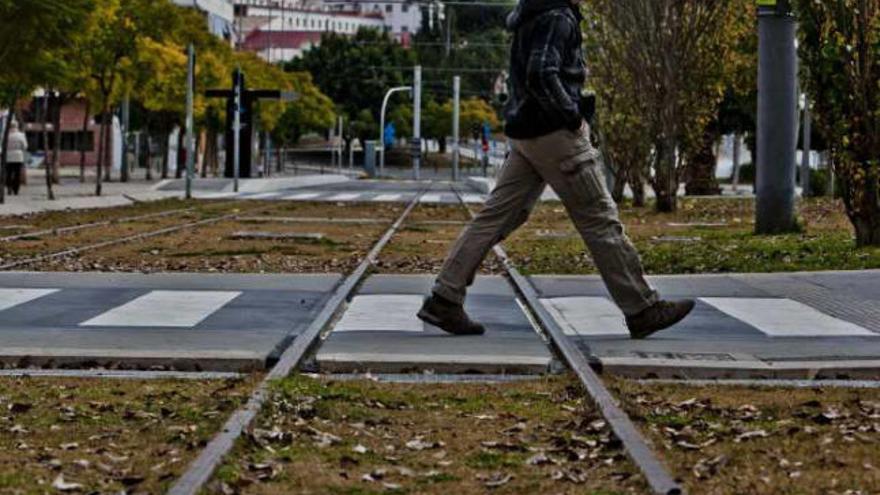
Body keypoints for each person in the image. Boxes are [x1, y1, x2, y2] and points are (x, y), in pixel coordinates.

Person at [418, 0, 695, 339]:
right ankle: (642, 308)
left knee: (496, 216)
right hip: (555, 135)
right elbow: (541, 72)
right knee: (599, 218)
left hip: (526, 134)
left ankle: (444, 297)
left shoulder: (531, 12)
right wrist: (571, 116)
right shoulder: (558, 16)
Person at [4, 120, 28, 196]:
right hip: (18, 156)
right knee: (17, 174)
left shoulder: (6, 135)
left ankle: (9, 188)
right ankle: (16, 190)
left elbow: (3, 145)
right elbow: (25, 146)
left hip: (8, 156)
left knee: (8, 173)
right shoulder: (21, 135)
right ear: (17, 126)